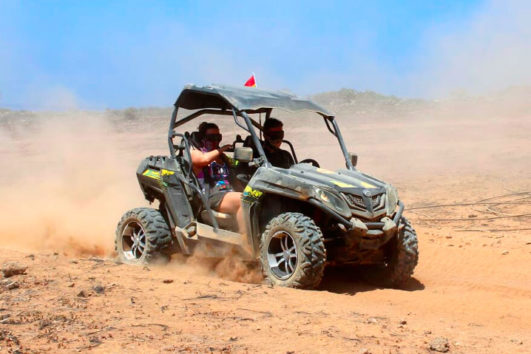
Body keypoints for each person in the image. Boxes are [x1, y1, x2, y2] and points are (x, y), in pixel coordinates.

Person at [190, 122, 244, 231]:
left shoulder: (221, 157)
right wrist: (220, 149)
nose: (215, 140)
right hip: (211, 196)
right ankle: (246, 240)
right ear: (202, 138)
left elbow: (233, 174)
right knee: (244, 201)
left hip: (227, 193)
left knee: (254, 197)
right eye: (211, 137)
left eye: (218, 137)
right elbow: (202, 160)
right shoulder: (199, 153)